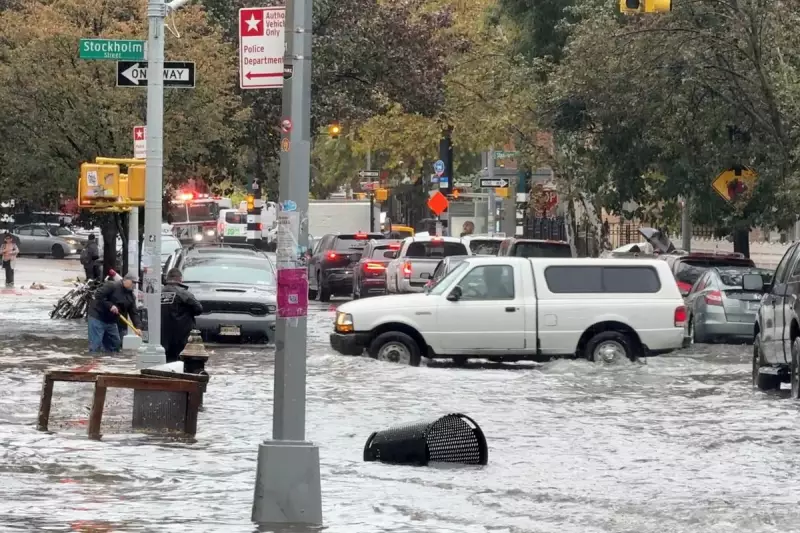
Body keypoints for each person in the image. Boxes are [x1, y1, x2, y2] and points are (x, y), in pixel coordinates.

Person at [87, 272, 141, 352]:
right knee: (95, 345)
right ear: (126, 280)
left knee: (115, 345)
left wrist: (138, 327)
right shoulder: (112, 285)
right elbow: (98, 295)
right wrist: (110, 305)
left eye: (136, 283)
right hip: (97, 317)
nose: (135, 285)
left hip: (111, 322)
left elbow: (133, 313)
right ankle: (93, 361)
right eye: (133, 282)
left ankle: (110, 362)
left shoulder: (131, 297)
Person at [161, 268, 203, 362]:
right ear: (180, 279)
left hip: (162, 335)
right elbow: (199, 309)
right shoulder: (183, 293)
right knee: (181, 362)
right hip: (181, 335)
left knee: (166, 361)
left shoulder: (158, 292)